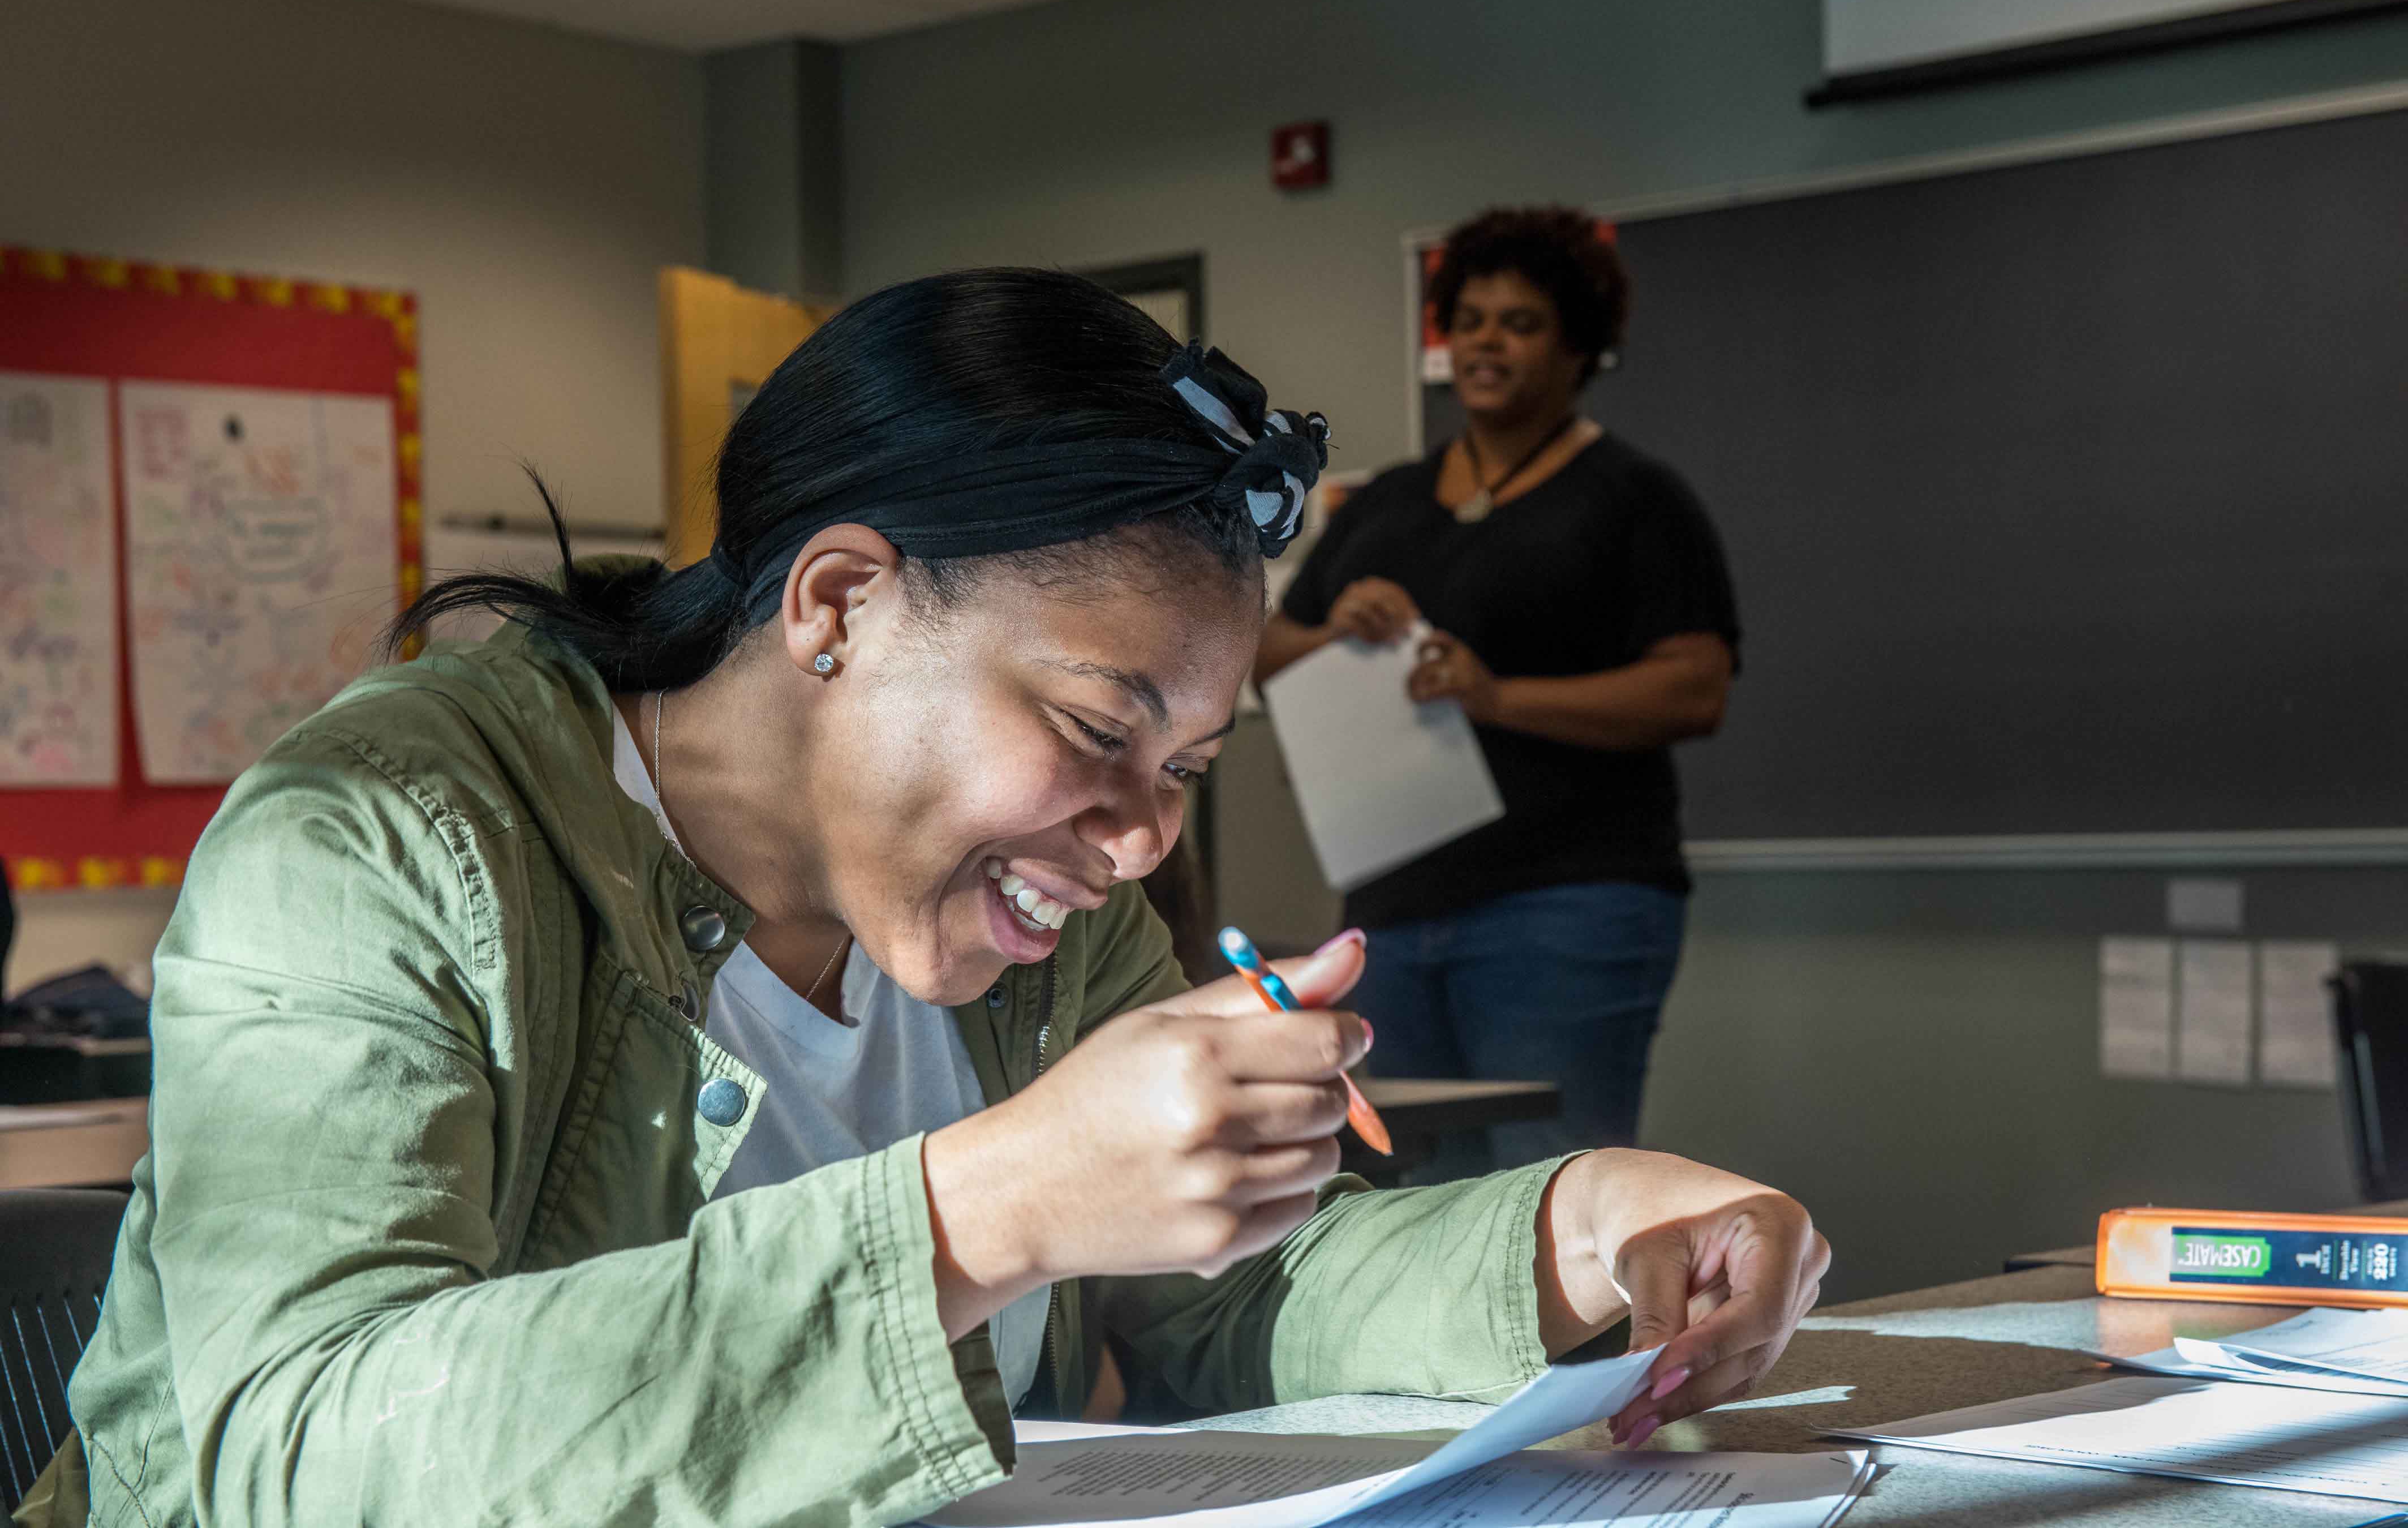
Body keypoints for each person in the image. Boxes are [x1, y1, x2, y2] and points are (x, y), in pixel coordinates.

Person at [22, 270, 1816, 1528]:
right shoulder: (378, 837)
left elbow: (1219, 1306)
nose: (1136, 846)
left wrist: (1575, 1230)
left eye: (1185, 768)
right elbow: (296, 1449)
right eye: (1100, 729)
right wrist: (986, 1212)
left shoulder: (1039, 912)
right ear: (838, 604)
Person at [1257, 208, 1739, 1178]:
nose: (1485, 341)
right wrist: (1332, 628)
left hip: (1569, 903)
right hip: (1391, 904)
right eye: (1469, 319)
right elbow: (1261, 650)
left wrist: (1498, 695)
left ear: (1579, 350)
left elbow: (1694, 689)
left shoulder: (1636, 498)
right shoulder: (1389, 500)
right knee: (1397, 1181)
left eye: (1518, 323)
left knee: (1548, 1183)